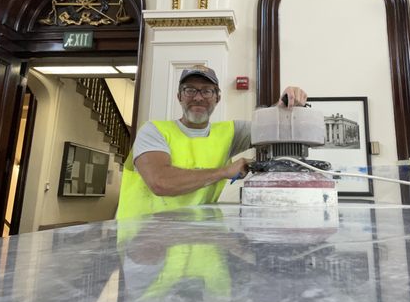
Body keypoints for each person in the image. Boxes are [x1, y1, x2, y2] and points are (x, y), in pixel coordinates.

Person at [116, 64, 307, 219]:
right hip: (146, 247)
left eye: (207, 91)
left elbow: (270, 127)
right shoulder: (154, 131)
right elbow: (161, 183)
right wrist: (224, 172)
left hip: (199, 244)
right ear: (179, 96)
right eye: (190, 90)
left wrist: (283, 105)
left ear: (217, 98)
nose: (198, 97)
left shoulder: (230, 133)